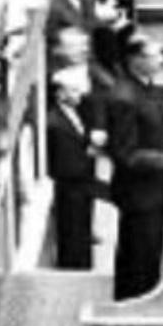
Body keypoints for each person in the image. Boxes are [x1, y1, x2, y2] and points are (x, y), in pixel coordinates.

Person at [101, 33, 163, 300]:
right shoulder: (123, 97)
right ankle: (134, 304)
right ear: (136, 59)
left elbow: (153, 131)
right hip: (138, 193)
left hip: (153, 188)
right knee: (139, 255)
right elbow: (124, 154)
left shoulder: (147, 87)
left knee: (149, 252)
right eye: (156, 55)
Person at [45, 64, 103, 270]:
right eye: (74, 91)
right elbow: (63, 163)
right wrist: (88, 152)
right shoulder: (54, 122)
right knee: (72, 233)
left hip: (81, 186)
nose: (80, 95)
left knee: (81, 230)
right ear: (61, 93)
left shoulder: (74, 112)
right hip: (70, 189)